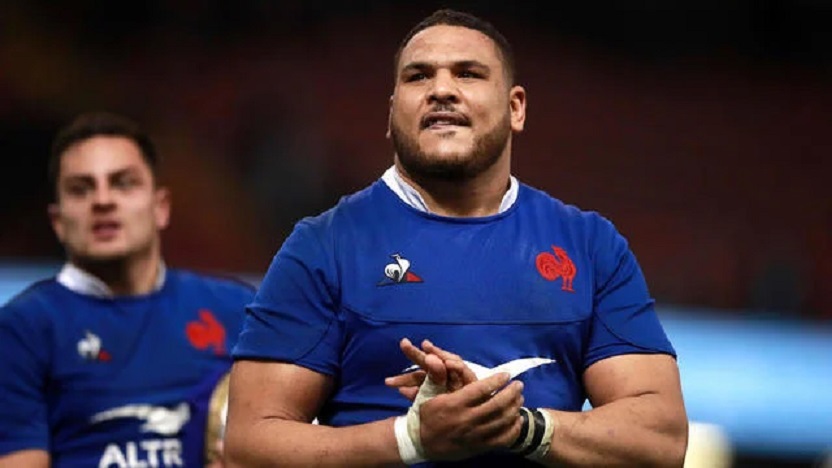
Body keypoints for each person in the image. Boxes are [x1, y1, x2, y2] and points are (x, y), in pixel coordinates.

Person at [225, 8, 688, 467]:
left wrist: (517, 427)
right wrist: (412, 439)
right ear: (392, 113)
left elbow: (660, 439)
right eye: (418, 76)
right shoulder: (323, 247)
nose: (441, 90)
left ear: (516, 108)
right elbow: (249, 447)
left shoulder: (590, 245)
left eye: (468, 74)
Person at [0, 111, 255, 468]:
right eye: (81, 189)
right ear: (57, 222)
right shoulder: (21, 330)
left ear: (161, 207)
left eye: (123, 183)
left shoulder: (238, 310)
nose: (103, 200)